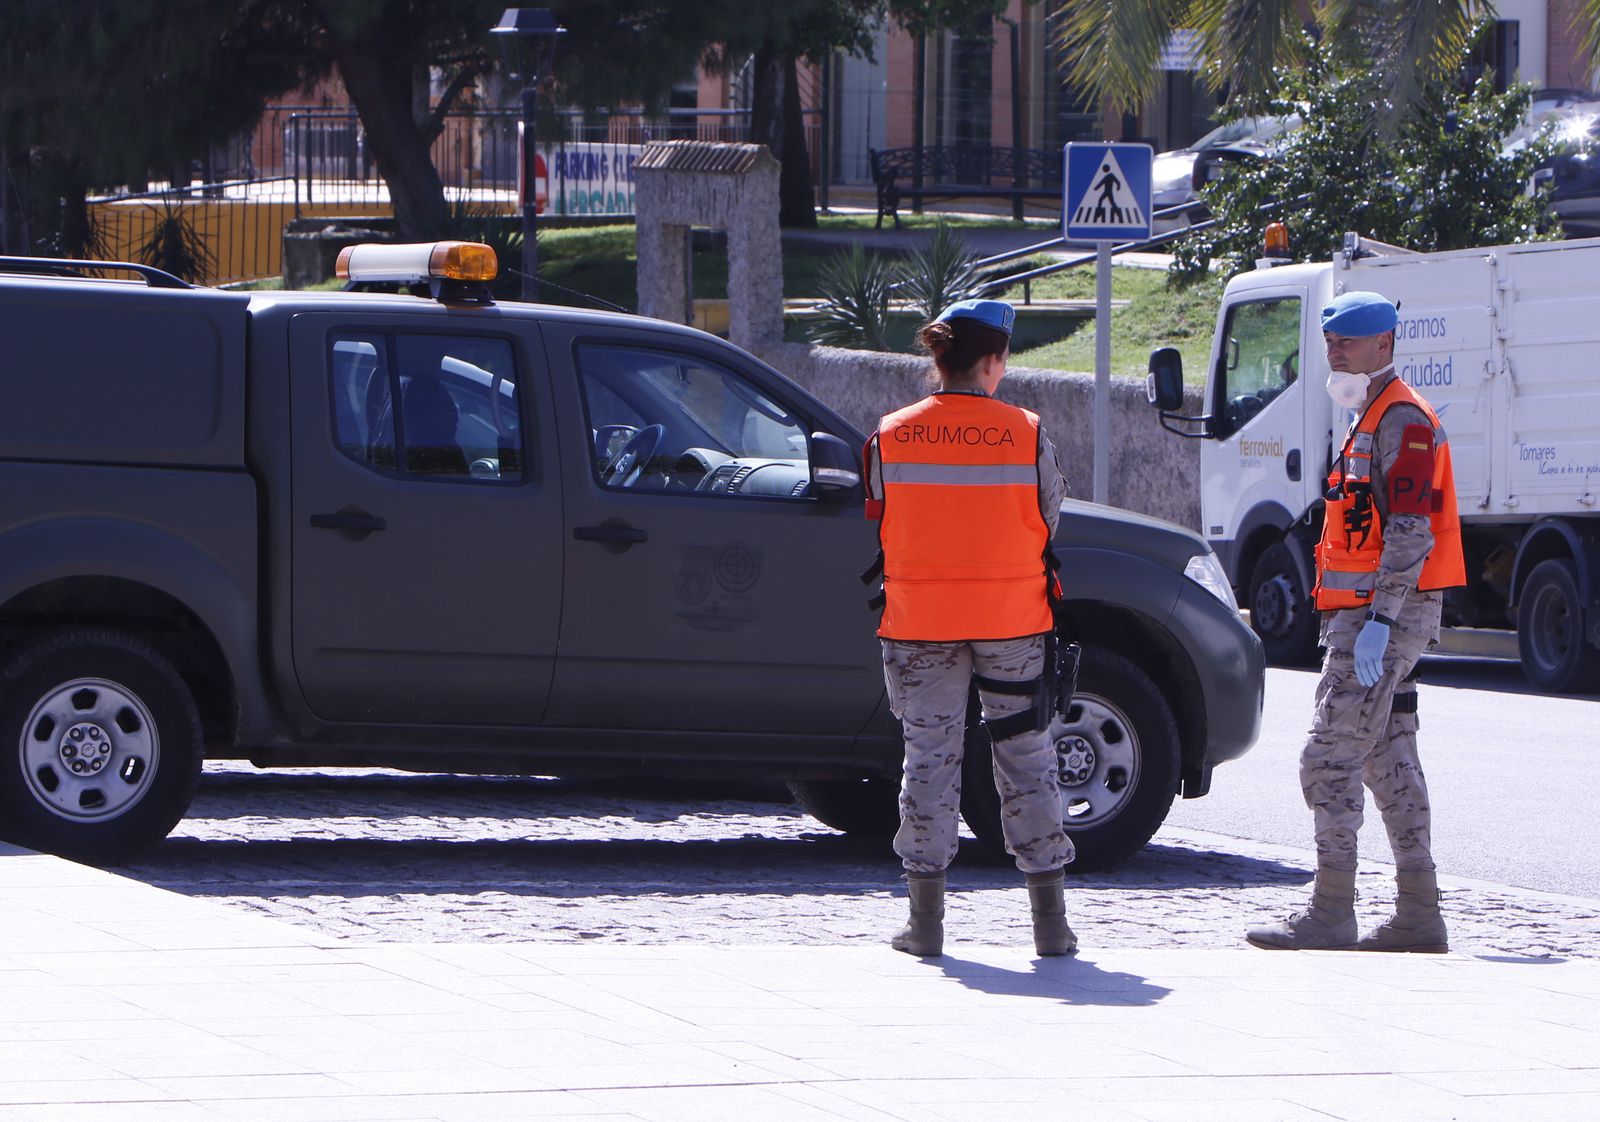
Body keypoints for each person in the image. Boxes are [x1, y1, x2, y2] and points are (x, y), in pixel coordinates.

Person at [1248, 291, 1464, 954]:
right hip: (1368, 613)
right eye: (1331, 340)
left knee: (1329, 758)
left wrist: (1381, 620)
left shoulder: (1401, 419)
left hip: (1381, 616)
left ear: (1385, 345)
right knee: (1386, 755)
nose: (1335, 350)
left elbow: (1409, 530)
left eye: (1349, 340)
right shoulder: (1372, 416)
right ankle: (1418, 915)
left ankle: (1331, 911)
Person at [862, 298, 1075, 959]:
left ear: (939, 360)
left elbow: (878, 514)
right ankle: (1051, 926)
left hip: (921, 624)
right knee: (1027, 761)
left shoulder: (892, 432)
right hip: (1012, 624)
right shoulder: (1026, 431)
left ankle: (924, 925)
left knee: (929, 760)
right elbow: (1051, 514)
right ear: (991, 361)